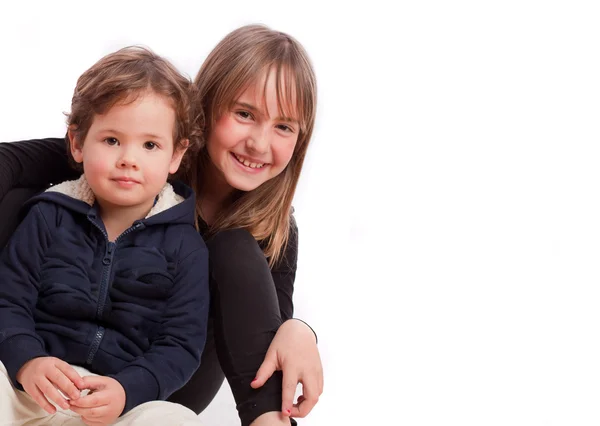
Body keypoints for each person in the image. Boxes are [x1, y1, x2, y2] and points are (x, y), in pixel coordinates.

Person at [0, 24, 323, 426]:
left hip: (157, 380)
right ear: (206, 109)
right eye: (244, 114)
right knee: (21, 200)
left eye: (283, 127)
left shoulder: (273, 227)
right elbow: (13, 161)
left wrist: (301, 329)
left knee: (235, 249)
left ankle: (269, 421)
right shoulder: (136, 156)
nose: (258, 143)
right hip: (49, 359)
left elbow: (267, 325)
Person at [0, 47, 209, 425]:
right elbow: (8, 302)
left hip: (116, 408)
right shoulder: (47, 216)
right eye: (112, 140)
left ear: (176, 156)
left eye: (150, 145)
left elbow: (180, 345)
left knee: (175, 420)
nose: (129, 158)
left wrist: (130, 389)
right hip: (29, 394)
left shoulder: (186, 246)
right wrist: (27, 360)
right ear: (78, 143)